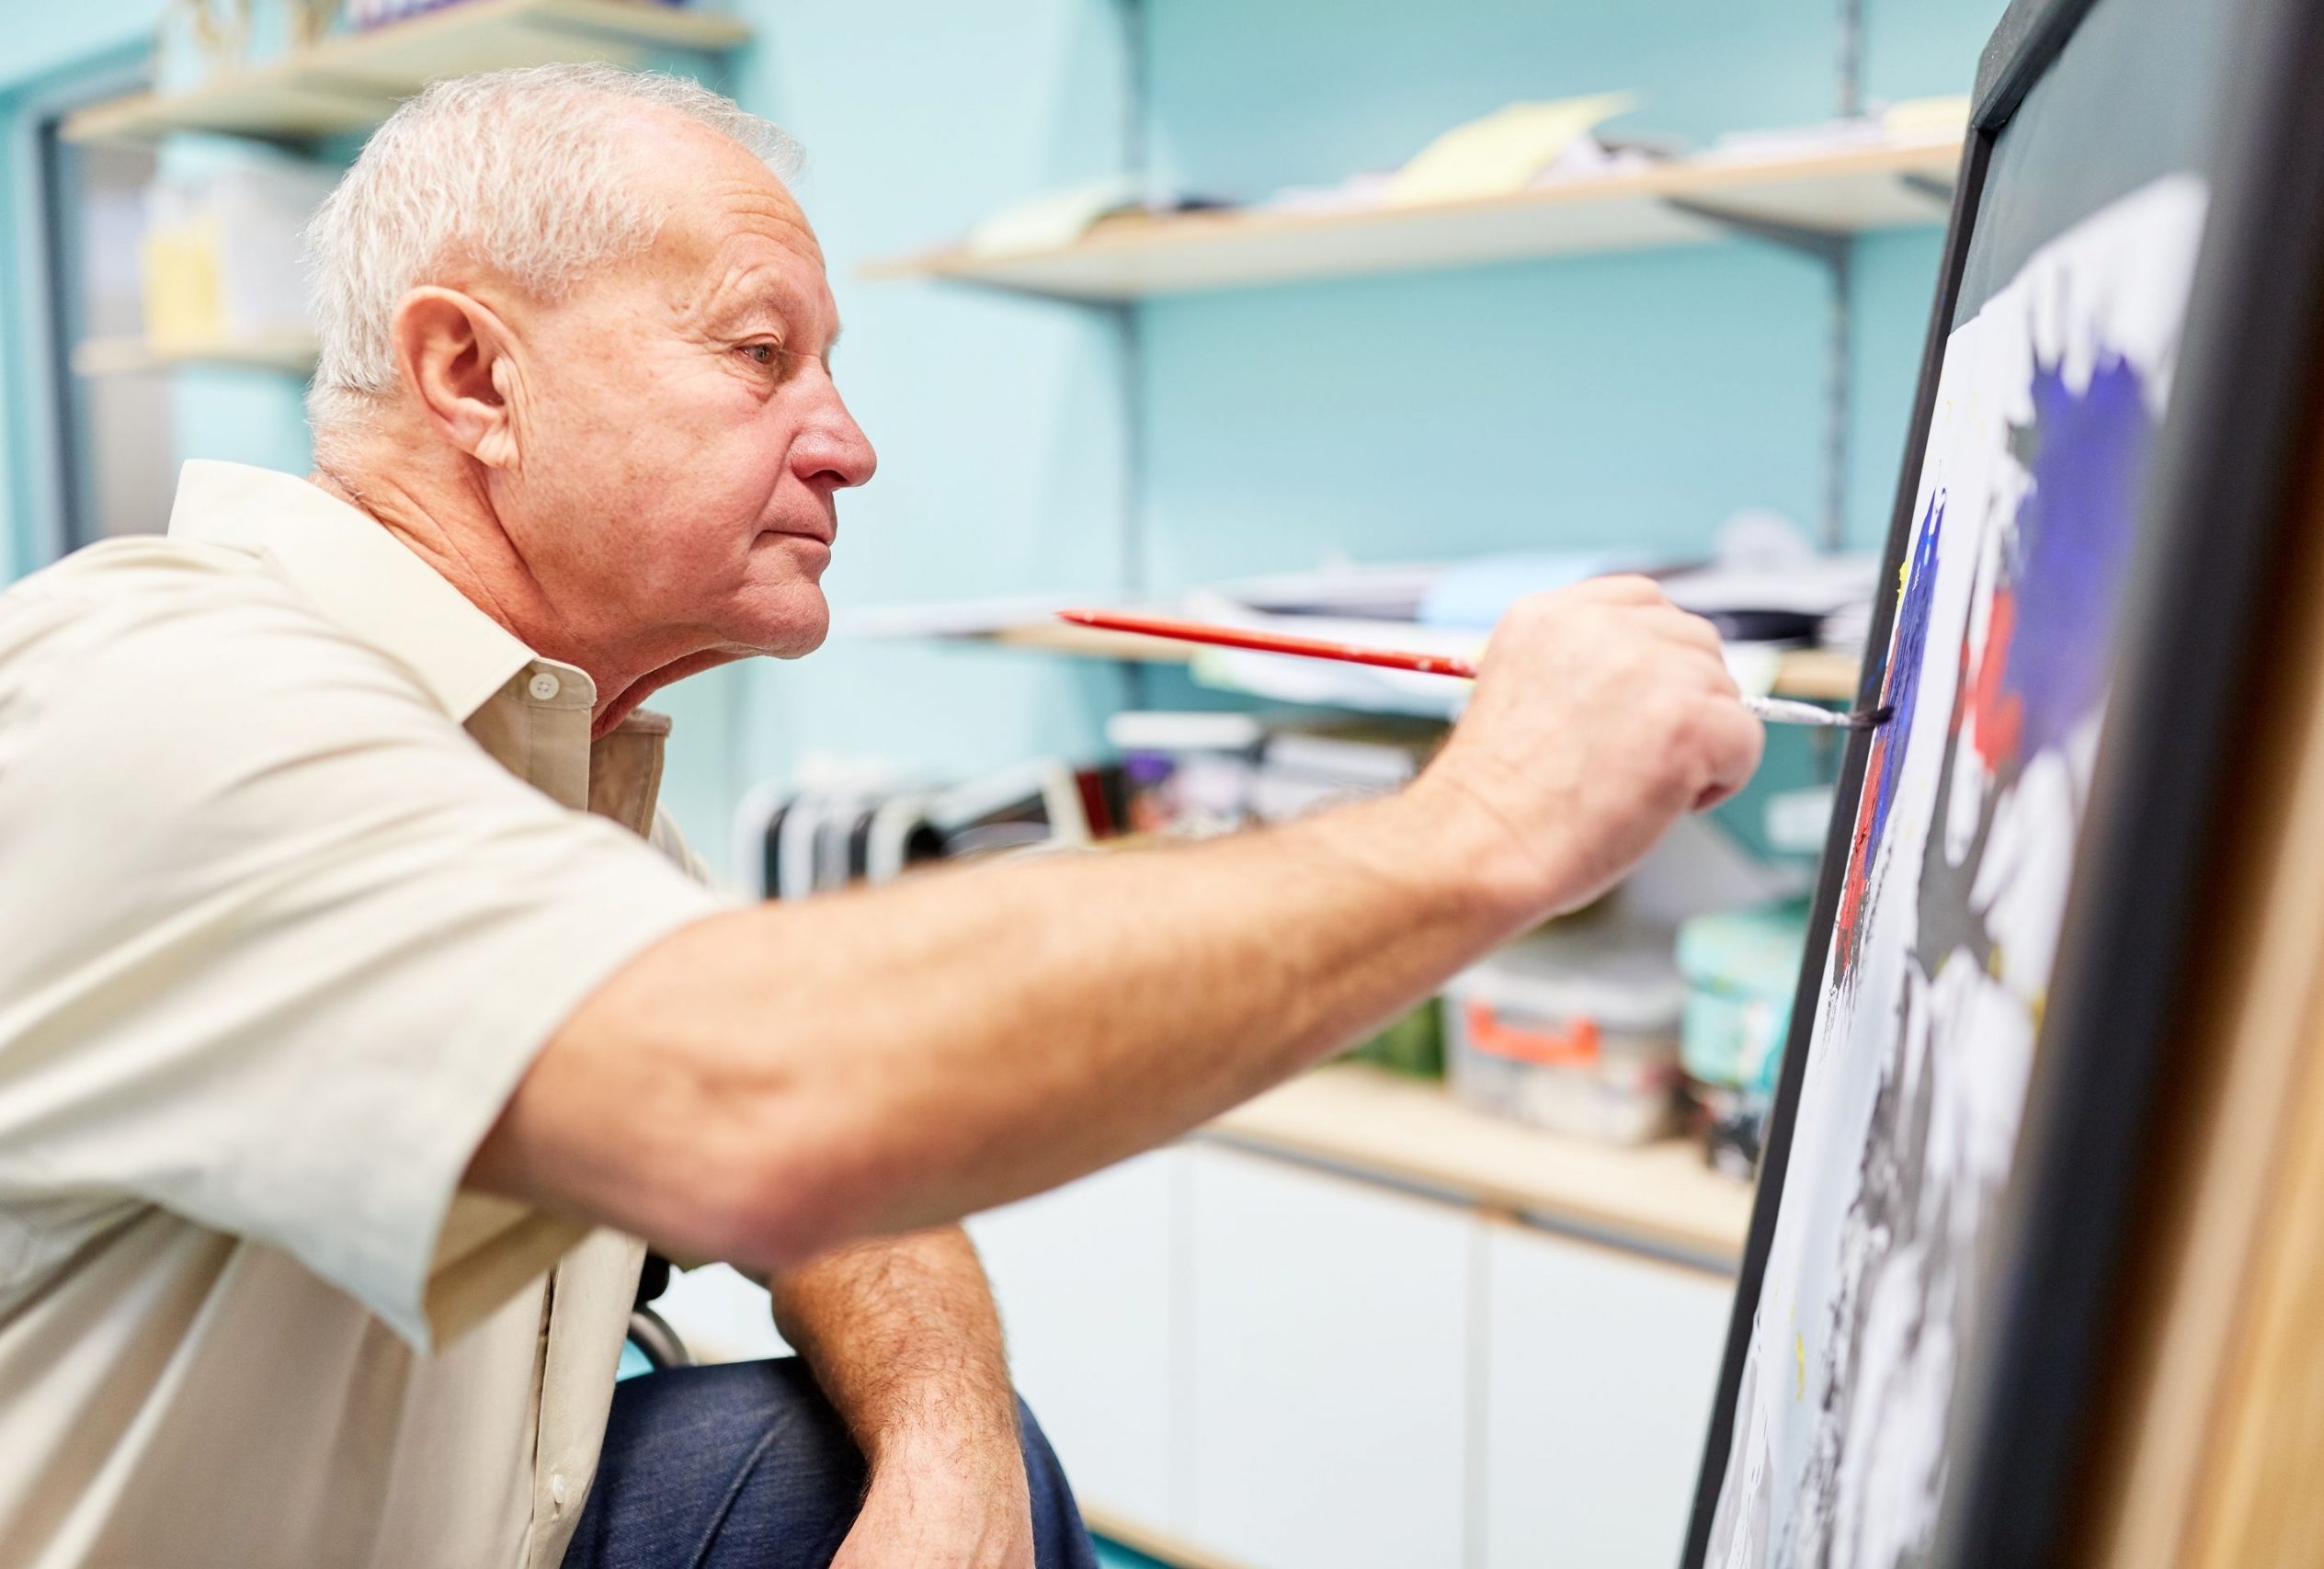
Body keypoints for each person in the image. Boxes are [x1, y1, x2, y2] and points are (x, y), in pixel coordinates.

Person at [0, 64, 1761, 1569]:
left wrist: (949, 1443)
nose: (845, 444)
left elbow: (842, 1187)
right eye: (760, 354)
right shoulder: (171, 696)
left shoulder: (539, 758)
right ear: (472, 376)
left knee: (820, 1453)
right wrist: (1498, 819)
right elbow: (767, 1100)